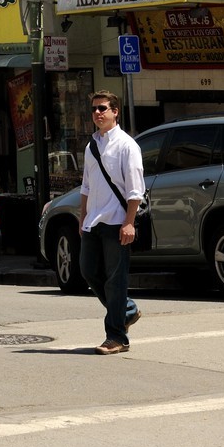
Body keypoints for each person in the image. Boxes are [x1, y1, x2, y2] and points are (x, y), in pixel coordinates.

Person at [78, 89, 145, 355]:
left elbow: (135, 190)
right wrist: (82, 218)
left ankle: (116, 337)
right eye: (94, 109)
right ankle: (126, 310)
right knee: (88, 271)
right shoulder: (91, 146)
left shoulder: (128, 145)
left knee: (116, 281)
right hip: (93, 222)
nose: (97, 113)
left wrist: (129, 223)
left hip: (117, 222)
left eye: (103, 108)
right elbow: (86, 186)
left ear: (115, 112)